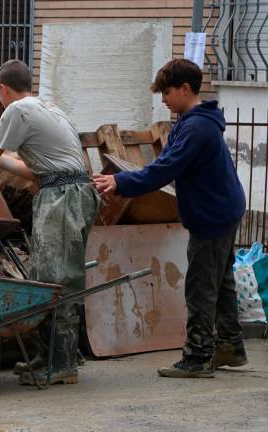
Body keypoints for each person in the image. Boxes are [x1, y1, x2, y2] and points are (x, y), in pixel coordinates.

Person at [0, 60, 99, 385]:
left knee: (56, 278)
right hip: (69, 191)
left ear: (2, 89)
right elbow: (32, 172)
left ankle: (62, 364)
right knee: (47, 274)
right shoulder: (47, 107)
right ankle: (54, 355)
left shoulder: (17, 110)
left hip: (63, 196)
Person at [94, 59, 247, 378]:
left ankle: (199, 357)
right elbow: (163, 163)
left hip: (213, 214)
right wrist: (127, 180)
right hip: (222, 209)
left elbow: (165, 170)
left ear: (185, 89)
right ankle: (230, 346)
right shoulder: (193, 122)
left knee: (201, 286)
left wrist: (121, 183)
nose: (163, 98)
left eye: (166, 92)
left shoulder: (197, 127)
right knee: (220, 282)